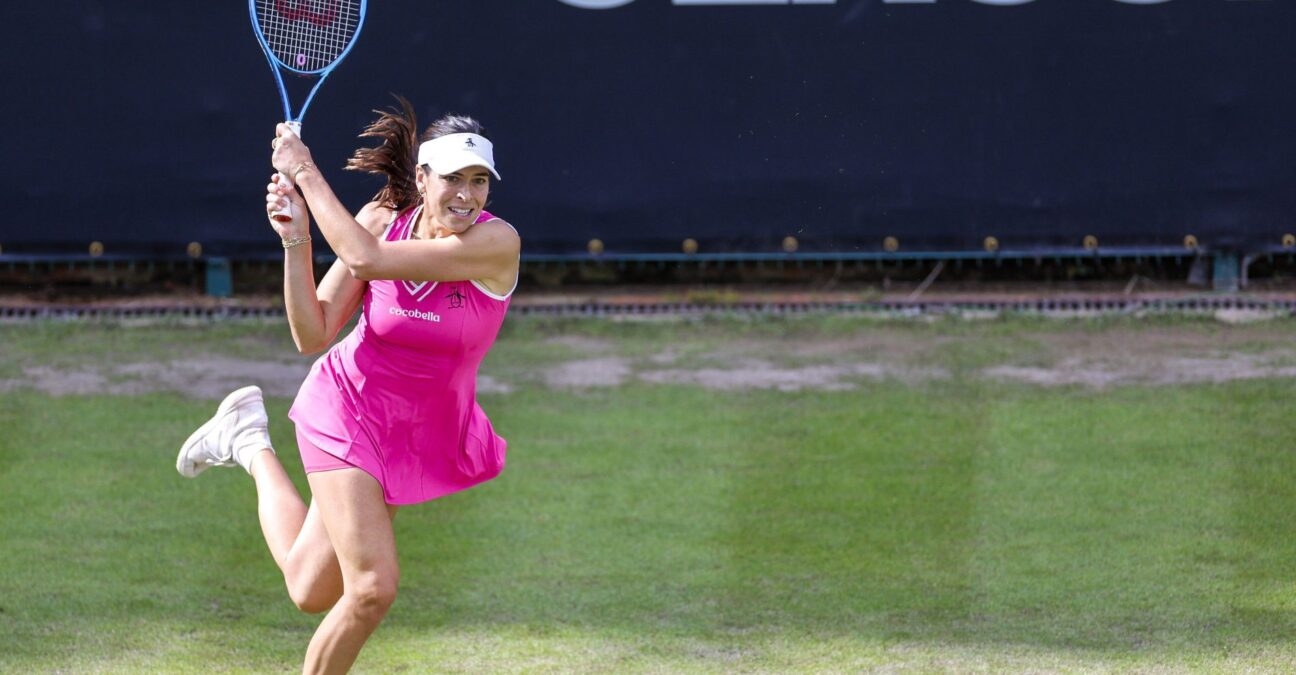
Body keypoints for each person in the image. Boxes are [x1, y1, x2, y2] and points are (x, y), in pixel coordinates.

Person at [174, 97, 520, 674]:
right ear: (422, 177)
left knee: (311, 590)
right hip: (348, 407)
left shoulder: (495, 243)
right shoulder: (381, 219)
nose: (467, 194)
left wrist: (305, 171)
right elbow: (312, 333)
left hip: (415, 431)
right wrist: (296, 237)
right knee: (370, 589)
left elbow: (367, 259)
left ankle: (247, 442)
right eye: (453, 179)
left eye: (479, 180)